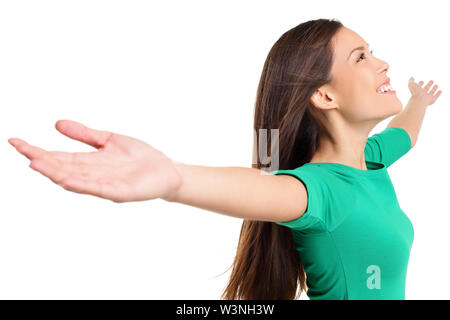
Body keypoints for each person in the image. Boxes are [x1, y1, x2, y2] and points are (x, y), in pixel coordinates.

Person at [8, 18, 442, 300]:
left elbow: (405, 131)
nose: (382, 63)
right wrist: (173, 180)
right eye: (361, 57)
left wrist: (419, 101)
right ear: (324, 95)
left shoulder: (372, 159)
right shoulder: (319, 191)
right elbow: (263, 188)